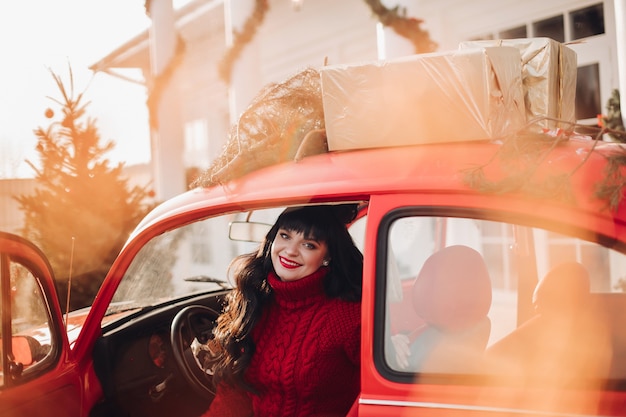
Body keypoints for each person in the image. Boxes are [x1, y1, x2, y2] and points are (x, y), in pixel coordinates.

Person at [201, 204, 363, 417]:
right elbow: (235, 394)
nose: (290, 251)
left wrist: (389, 344)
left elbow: (378, 395)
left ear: (327, 256)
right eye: (285, 236)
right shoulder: (253, 301)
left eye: (309, 244)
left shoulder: (349, 315)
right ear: (272, 239)